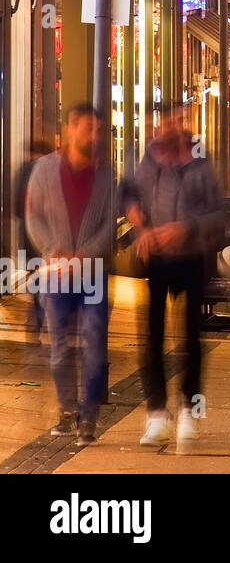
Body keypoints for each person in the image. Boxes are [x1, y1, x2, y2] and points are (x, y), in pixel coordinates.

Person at [121, 103, 224, 453]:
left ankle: (190, 410)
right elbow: (128, 193)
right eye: (165, 121)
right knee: (151, 336)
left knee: (192, 338)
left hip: (193, 258)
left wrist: (187, 228)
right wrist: (140, 223)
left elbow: (218, 215)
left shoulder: (202, 159)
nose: (171, 127)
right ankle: (155, 412)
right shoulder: (145, 159)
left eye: (178, 120)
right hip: (155, 261)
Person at [24, 105, 113, 446]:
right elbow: (33, 217)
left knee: (94, 341)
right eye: (88, 128)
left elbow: (110, 221)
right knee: (58, 345)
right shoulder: (44, 170)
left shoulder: (105, 173)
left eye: (98, 130)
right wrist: (52, 250)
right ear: (72, 128)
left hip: (91, 273)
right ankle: (65, 408)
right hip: (56, 274)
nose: (94, 136)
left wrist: (84, 254)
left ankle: (88, 415)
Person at [14, 138, 55, 341]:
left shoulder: (22, 171)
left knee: (36, 281)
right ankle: (39, 317)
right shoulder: (48, 173)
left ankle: (36, 318)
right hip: (46, 237)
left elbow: (16, 209)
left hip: (27, 236)